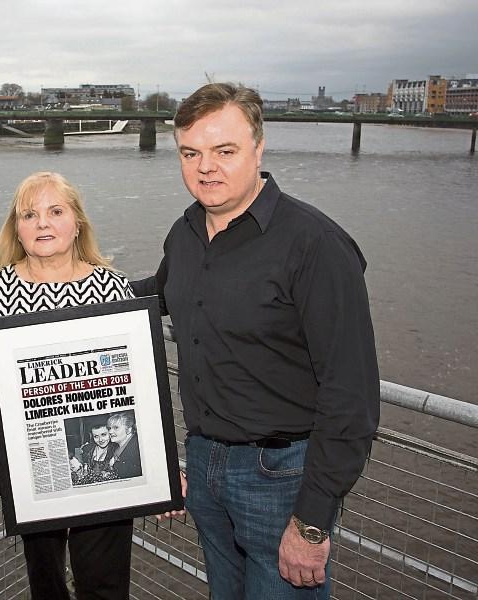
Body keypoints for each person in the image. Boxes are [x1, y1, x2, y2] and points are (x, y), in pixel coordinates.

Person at [132, 83, 380, 599]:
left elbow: (351, 396)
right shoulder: (185, 234)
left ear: (259, 148)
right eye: (191, 153)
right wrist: (59, 302)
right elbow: (158, 295)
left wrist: (312, 524)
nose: (206, 167)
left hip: (281, 477)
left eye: (225, 151)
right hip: (204, 464)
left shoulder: (315, 245)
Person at [0, 171, 134, 600]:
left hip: (100, 466)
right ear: (17, 229)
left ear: (76, 222)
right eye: (30, 214)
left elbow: (133, 377)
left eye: (55, 211)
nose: (42, 223)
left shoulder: (112, 287)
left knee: (104, 579)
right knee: (45, 579)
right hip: (31, 461)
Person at [106, 411, 142, 479]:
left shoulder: (137, 448)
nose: (110, 432)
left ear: (128, 430)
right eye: (109, 428)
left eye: (116, 427)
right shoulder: (115, 447)